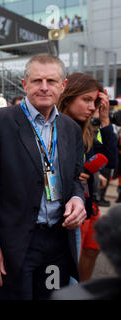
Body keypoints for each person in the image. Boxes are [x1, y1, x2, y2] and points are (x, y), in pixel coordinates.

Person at [0, 53, 87, 300]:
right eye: (36, 81)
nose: (44, 87)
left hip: (57, 243)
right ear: (24, 85)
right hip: (16, 245)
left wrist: (78, 199)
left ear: (62, 86)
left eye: (51, 81)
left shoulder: (69, 128)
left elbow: (76, 179)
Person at [57, 72, 118, 282]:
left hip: (89, 204)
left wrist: (104, 119)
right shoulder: (54, 126)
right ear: (68, 96)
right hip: (70, 209)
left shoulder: (88, 129)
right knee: (71, 260)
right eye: (86, 100)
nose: (92, 107)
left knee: (92, 250)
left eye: (94, 101)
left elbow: (110, 161)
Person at [51, 204, 121, 300]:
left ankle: (82, 287)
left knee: (92, 249)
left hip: (92, 205)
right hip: (74, 209)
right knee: (74, 256)